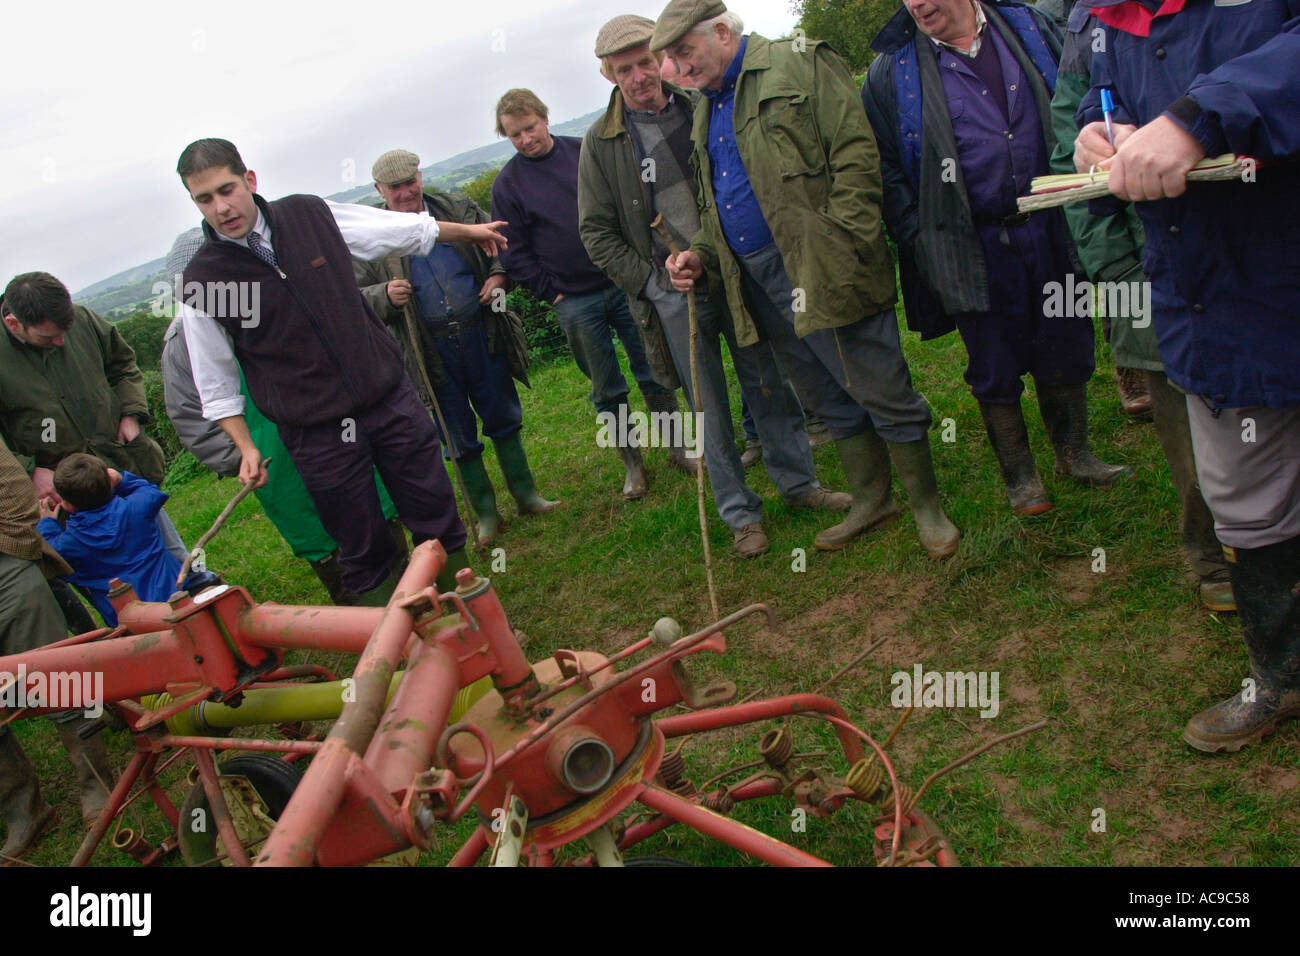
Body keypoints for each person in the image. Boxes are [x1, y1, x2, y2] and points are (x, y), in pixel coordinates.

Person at [656, 0, 961, 558]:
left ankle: (928, 509)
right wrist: (700, 253)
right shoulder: (706, 106)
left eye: (684, 52)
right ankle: (873, 500)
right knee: (824, 394)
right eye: (671, 59)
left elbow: (855, 152)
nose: (678, 69)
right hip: (757, 280)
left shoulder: (798, 62)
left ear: (722, 32)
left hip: (823, 263)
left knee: (880, 386)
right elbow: (717, 201)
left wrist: (844, 240)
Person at [1073, 0, 1300, 751]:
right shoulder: (1103, 17)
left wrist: (1199, 116)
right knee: (1245, 496)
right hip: (1209, 295)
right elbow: (1108, 96)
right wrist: (1098, 132)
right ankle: (1283, 678)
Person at [176, 138, 506, 604]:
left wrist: (469, 233)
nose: (221, 207)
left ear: (249, 180)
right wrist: (245, 446)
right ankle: (398, 644)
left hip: (387, 396)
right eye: (204, 199)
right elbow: (215, 380)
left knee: (433, 508)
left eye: (226, 189)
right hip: (315, 430)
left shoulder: (309, 215)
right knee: (361, 542)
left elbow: (398, 230)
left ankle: (465, 610)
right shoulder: (205, 281)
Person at [578, 15, 850, 558]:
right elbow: (595, 231)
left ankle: (799, 484)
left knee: (767, 377)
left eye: (646, 61)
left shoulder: (701, 103)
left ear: (662, 57)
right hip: (673, 291)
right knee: (708, 407)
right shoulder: (601, 143)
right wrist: (653, 281)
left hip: (733, 269)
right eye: (624, 68)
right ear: (609, 75)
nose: (639, 76)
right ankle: (741, 515)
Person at [862, 0, 1129, 518]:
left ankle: (1075, 454)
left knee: (1066, 338)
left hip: (1052, 222)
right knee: (993, 359)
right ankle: (1021, 476)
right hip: (969, 239)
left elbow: (1077, 100)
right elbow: (888, 169)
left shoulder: (1030, 26)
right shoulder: (890, 71)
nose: (917, 4)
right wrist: (920, 234)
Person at [1045, 0, 1232, 612]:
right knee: (1183, 422)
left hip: (1244, 256)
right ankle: (1213, 562)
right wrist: (1117, 267)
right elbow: (1071, 156)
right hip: (1150, 263)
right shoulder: (1091, 27)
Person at [161, 228, 406, 605]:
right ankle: (365, 620)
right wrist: (243, 456)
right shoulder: (181, 344)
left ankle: (413, 593)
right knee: (322, 537)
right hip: (274, 462)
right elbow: (191, 418)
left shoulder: (270, 304)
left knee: (372, 508)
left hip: (330, 430)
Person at [491, 88, 694, 500]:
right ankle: (633, 466)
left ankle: (679, 448)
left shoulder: (584, 152)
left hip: (625, 283)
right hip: (574, 300)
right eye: (515, 134)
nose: (526, 139)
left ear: (545, 118)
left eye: (530, 127)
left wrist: (635, 268)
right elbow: (514, 252)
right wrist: (552, 294)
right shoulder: (507, 185)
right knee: (606, 388)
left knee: (655, 367)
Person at [355, 149, 560, 546]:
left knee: (502, 413)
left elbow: (504, 245)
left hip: (481, 332)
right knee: (455, 432)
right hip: (427, 349)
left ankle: (527, 495)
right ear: (379, 190)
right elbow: (352, 296)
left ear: (420, 176)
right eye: (394, 187)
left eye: (409, 182)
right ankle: (485, 515)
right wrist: (383, 294)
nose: (404, 192)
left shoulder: (457, 207)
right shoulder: (371, 234)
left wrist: (499, 278)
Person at [0, 272, 191, 566]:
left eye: (66, 331)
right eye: (49, 337)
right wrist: (30, 470)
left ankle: (200, 593)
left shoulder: (84, 319)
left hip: (115, 466)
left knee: (168, 553)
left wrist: (131, 414)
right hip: (61, 493)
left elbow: (123, 364)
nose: (62, 342)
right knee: (108, 578)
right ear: (14, 324)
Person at [0, 440, 114, 858]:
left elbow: (10, 485)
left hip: (5, 565)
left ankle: (97, 784)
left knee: (57, 679)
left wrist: (15, 550)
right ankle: (24, 811)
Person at [36, 454, 203, 626]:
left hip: (127, 619)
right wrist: (123, 480)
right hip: (174, 594)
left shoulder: (70, 545)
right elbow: (150, 491)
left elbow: (51, 548)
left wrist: (47, 522)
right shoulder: (139, 508)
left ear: (67, 505)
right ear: (110, 481)